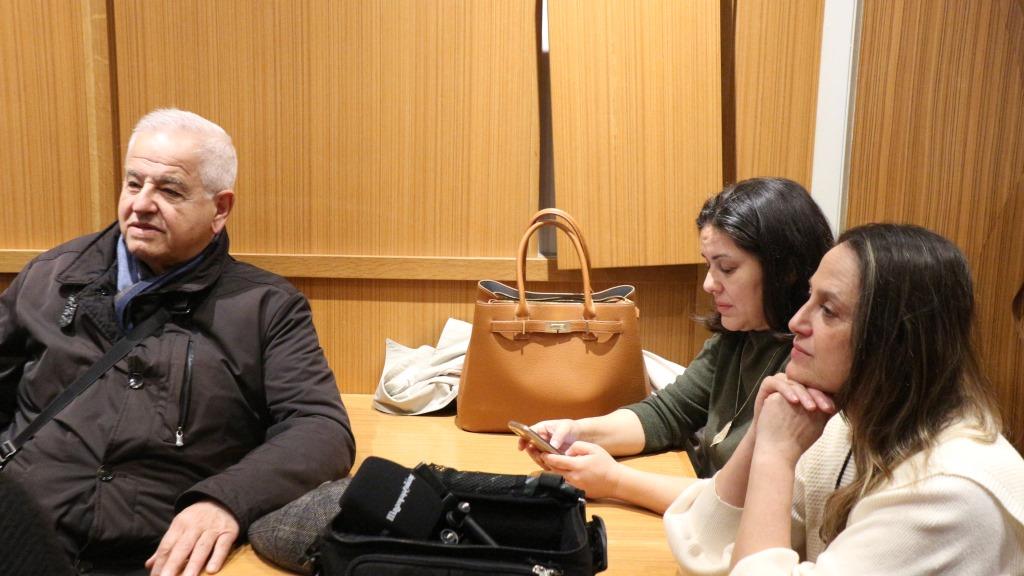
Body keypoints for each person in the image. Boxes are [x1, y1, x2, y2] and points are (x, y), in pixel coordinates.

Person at [0, 109, 356, 576]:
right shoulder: (51, 276)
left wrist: (226, 501)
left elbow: (321, 428)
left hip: (160, 557)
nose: (142, 204)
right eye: (133, 184)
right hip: (25, 541)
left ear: (220, 209)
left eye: (169, 190)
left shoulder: (265, 307)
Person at [665, 223, 1024, 575]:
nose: (795, 322)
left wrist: (775, 456)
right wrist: (760, 433)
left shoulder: (949, 492)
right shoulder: (842, 428)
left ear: (895, 341)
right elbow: (704, 547)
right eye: (809, 298)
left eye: (828, 310)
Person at [519, 178, 834, 513]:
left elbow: (749, 501)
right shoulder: (739, 336)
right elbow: (668, 413)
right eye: (709, 264)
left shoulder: (809, 365)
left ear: (785, 270)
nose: (709, 283)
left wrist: (615, 481)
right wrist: (576, 432)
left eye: (727, 268)